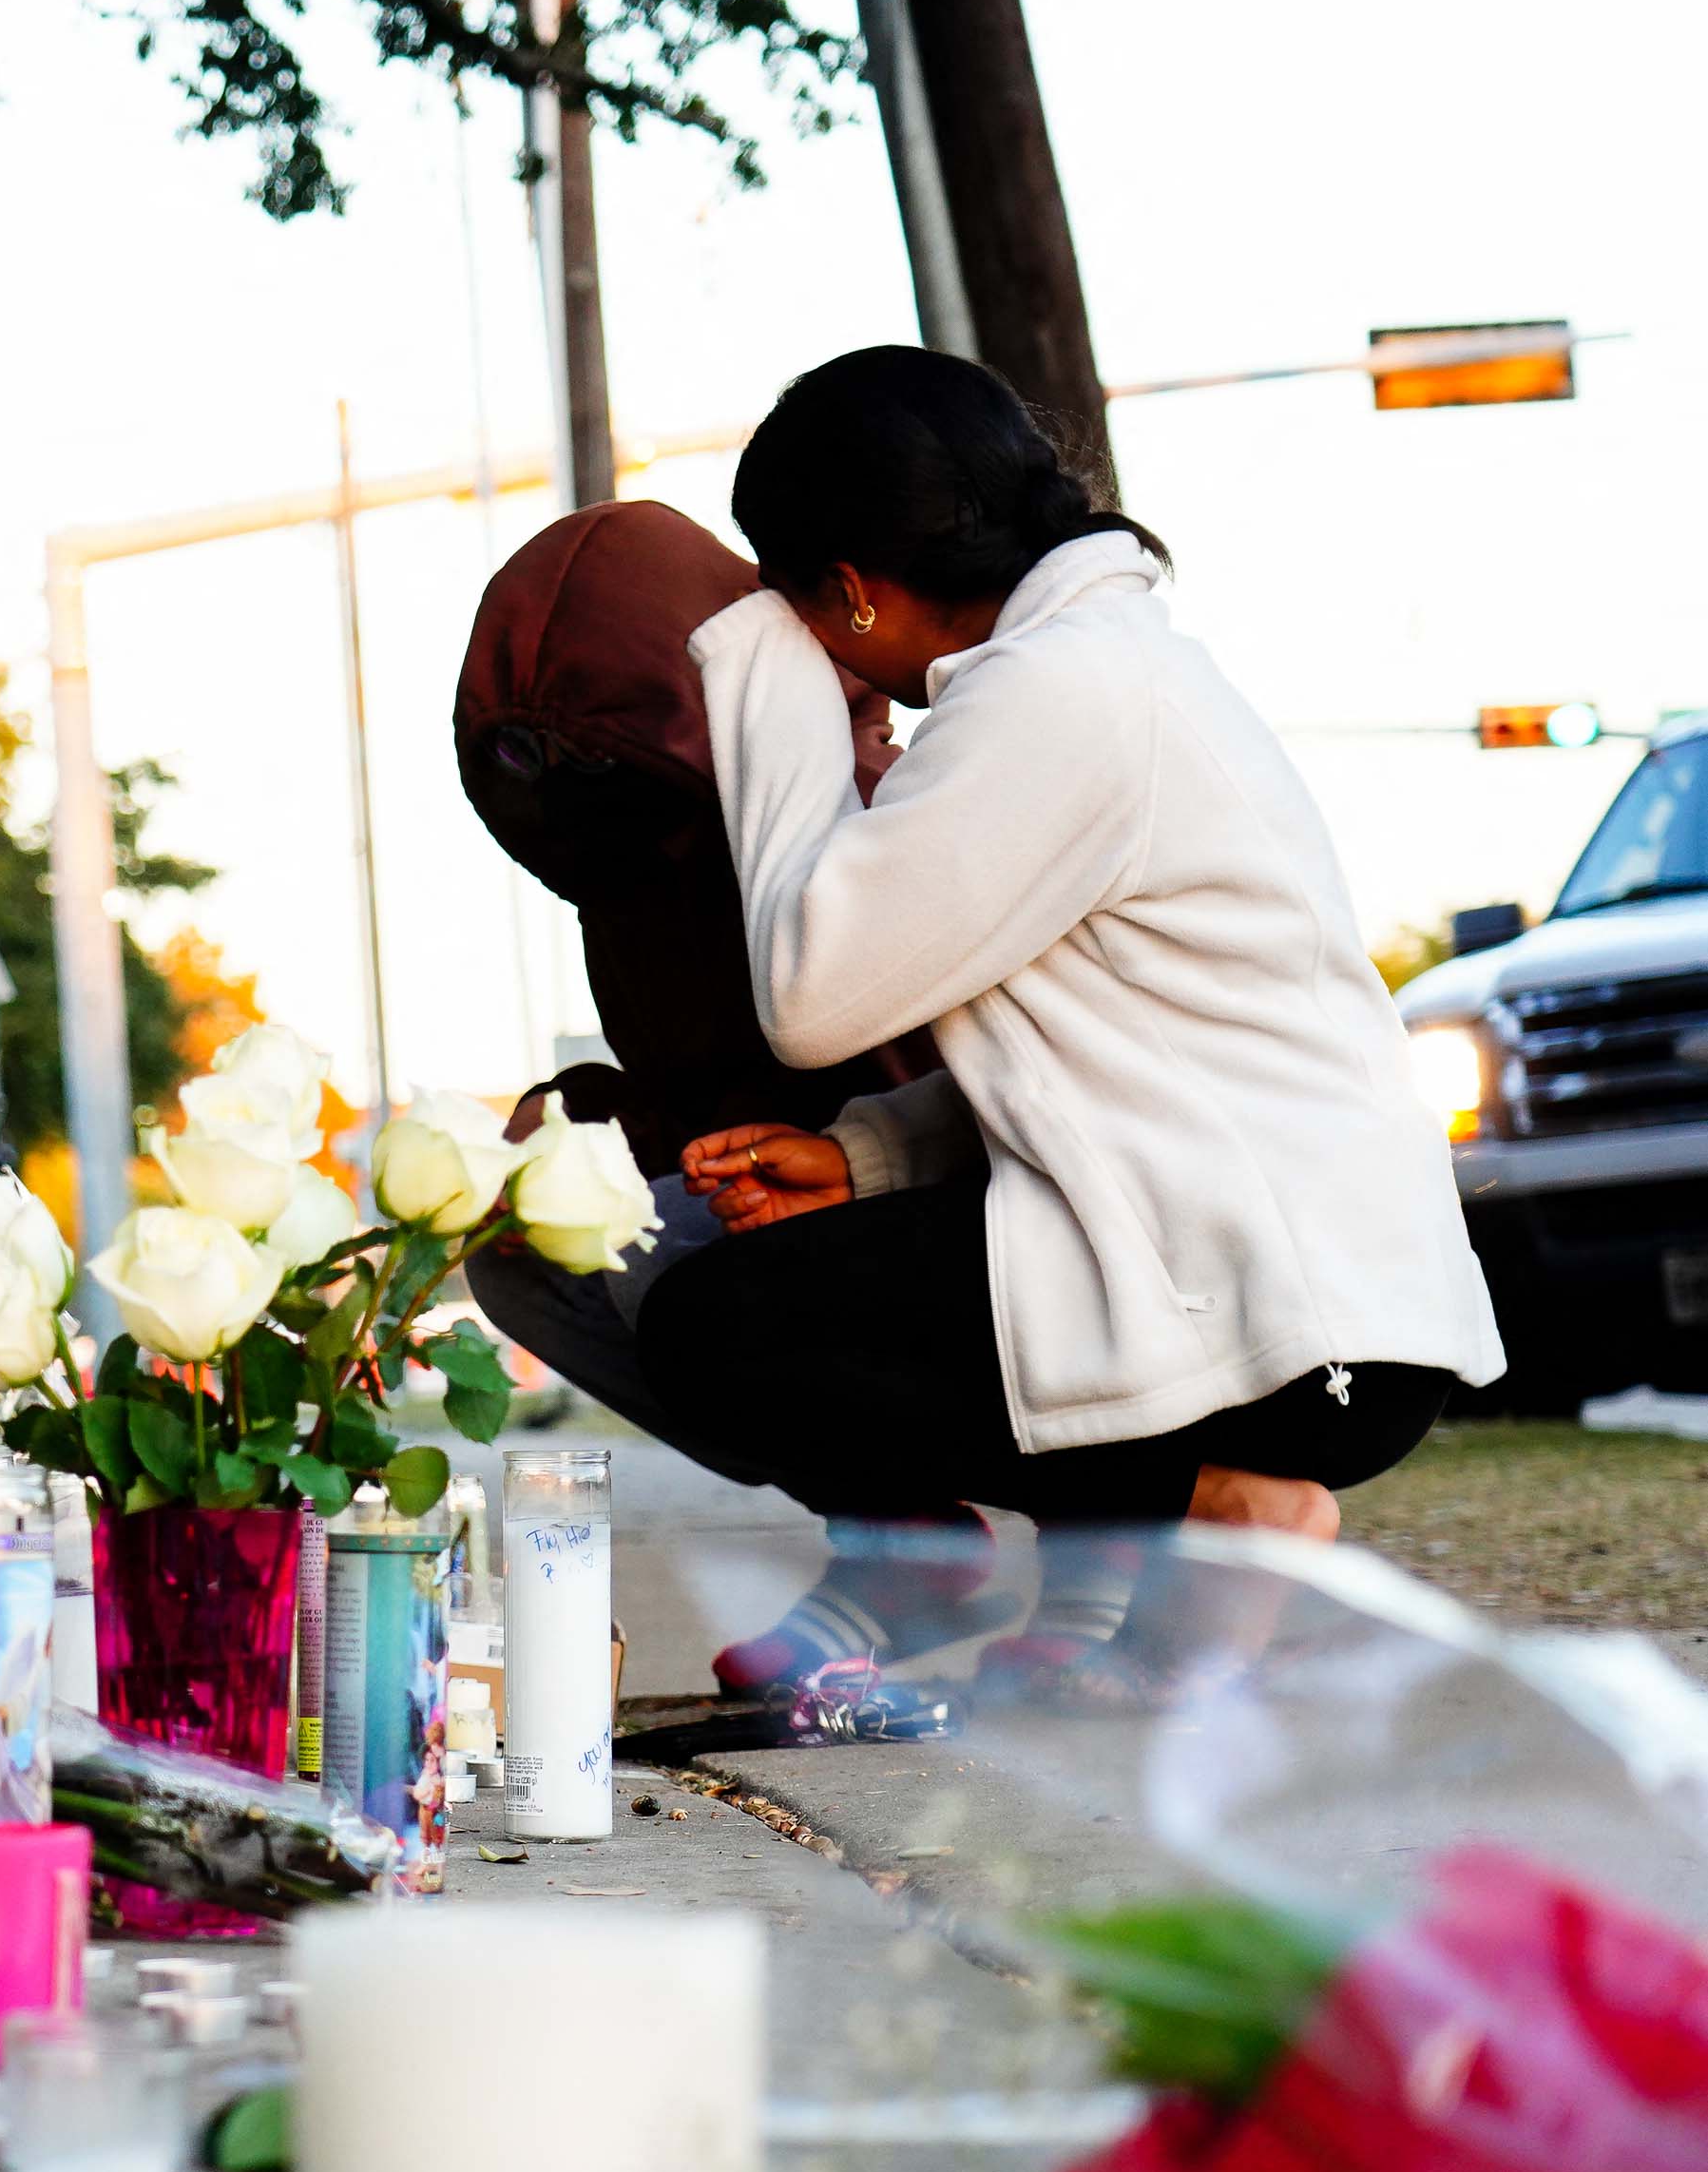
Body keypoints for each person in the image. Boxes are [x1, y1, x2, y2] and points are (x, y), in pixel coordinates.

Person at [638, 347, 1503, 1624]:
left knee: (714, 1330)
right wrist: (867, 1158)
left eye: (797, 598)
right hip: (1288, 1287)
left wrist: (759, 665)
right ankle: (1156, 1577)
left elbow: (809, 994)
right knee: (761, 1299)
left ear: (853, 592)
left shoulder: (1064, 693)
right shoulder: (1088, 671)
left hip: (1299, 1324)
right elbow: (1105, 1045)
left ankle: (1227, 1508)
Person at [454, 500, 1099, 1694]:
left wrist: (853, 1168)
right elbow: (706, 1082)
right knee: (518, 1236)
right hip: (798, 1197)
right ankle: (898, 1533)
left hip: (985, 1206)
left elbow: (1005, 1083)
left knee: (768, 1298)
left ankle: (1102, 1544)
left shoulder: (884, 798)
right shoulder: (631, 881)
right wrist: (583, 1137)